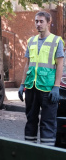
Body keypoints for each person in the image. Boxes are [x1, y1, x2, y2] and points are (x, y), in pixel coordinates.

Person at [18, 11, 64, 146]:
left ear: (48, 22)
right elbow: (27, 64)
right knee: (30, 120)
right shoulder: (31, 41)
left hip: (48, 88)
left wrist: (56, 87)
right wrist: (22, 84)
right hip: (31, 87)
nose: (38, 24)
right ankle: (30, 150)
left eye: (41, 21)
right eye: (36, 21)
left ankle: (46, 152)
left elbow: (60, 64)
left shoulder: (56, 41)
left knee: (48, 122)